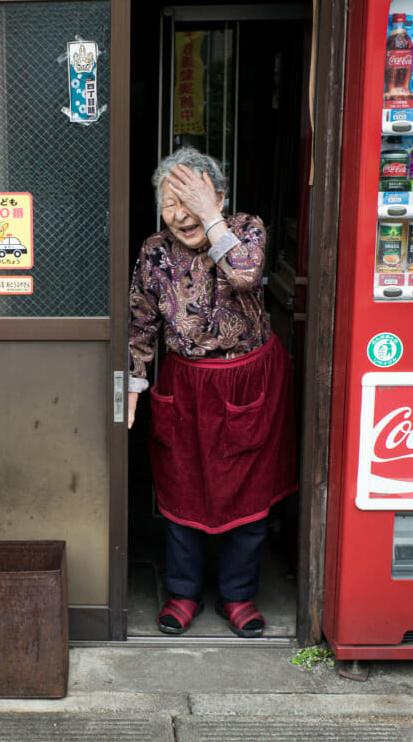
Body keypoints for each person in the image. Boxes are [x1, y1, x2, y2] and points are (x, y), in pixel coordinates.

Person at [127, 147, 296, 638]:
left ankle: (239, 596)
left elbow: (245, 275)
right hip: (186, 383)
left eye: (191, 199)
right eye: (169, 201)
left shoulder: (246, 229)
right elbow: (140, 322)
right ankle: (182, 592)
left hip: (249, 381)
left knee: (249, 490)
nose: (180, 215)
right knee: (181, 486)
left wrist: (212, 217)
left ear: (219, 196)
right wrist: (134, 384)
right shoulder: (154, 251)